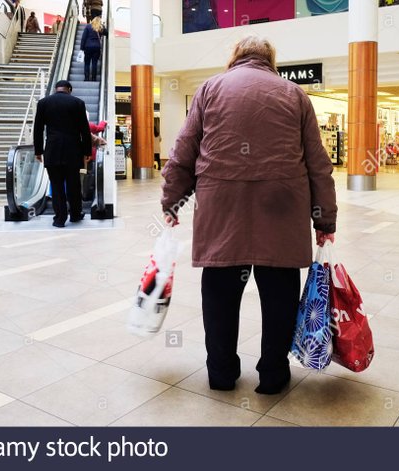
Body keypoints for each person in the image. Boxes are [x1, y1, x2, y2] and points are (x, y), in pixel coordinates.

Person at [161, 36, 337, 395]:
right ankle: (273, 374)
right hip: (282, 211)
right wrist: (325, 220)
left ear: (235, 56)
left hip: (222, 210)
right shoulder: (295, 95)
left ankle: (221, 373)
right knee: (280, 297)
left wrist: (172, 201)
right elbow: (318, 164)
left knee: (220, 295)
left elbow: (183, 151)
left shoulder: (209, 89)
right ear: (271, 60)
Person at [34, 80, 92, 227]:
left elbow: (38, 129)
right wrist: (87, 151)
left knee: (57, 185)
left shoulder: (43, 103)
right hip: (73, 151)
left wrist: (38, 151)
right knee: (74, 185)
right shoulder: (78, 103)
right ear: (69, 89)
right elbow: (84, 130)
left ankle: (60, 218)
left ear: (56, 89)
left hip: (52, 150)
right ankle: (75, 215)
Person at [80, 16, 106, 82]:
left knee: (87, 63)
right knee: (94, 63)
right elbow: (107, 33)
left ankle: (86, 78)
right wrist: (102, 25)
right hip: (97, 48)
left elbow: (83, 38)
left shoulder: (88, 26)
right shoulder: (101, 27)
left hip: (88, 47)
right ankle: (94, 79)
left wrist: (81, 48)